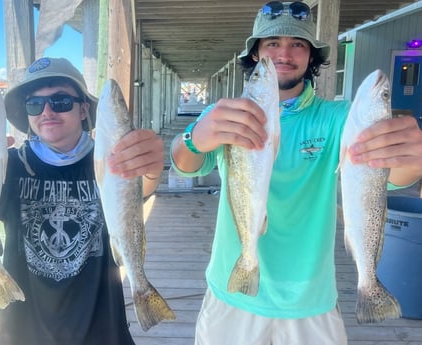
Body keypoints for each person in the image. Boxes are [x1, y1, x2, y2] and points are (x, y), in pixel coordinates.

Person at [170, 2, 422, 345]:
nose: (284, 53)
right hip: (233, 291)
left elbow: (392, 177)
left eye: (298, 44)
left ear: (311, 57)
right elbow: (185, 164)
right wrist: (192, 138)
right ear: (256, 54)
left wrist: (412, 158)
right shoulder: (226, 114)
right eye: (272, 43)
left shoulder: (340, 117)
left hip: (311, 301)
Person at [0, 57, 164, 345]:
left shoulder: (114, 161)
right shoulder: (7, 166)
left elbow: (141, 187)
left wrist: (151, 168)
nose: (47, 111)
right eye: (34, 104)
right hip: (23, 334)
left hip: (103, 332)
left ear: (84, 109)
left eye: (60, 101)